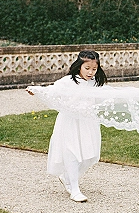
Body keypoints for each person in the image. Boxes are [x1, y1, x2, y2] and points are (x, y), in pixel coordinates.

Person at [27, 50, 108, 202]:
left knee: (90, 156)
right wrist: (37, 90)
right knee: (72, 152)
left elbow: (101, 99)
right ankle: (75, 189)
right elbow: (52, 90)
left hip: (88, 123)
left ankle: (68, 177)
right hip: (69, 122)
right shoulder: (68, 82)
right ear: (79, 67)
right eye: (87, 68)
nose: (91, 72)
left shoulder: (95, 83)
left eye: (94, 69)